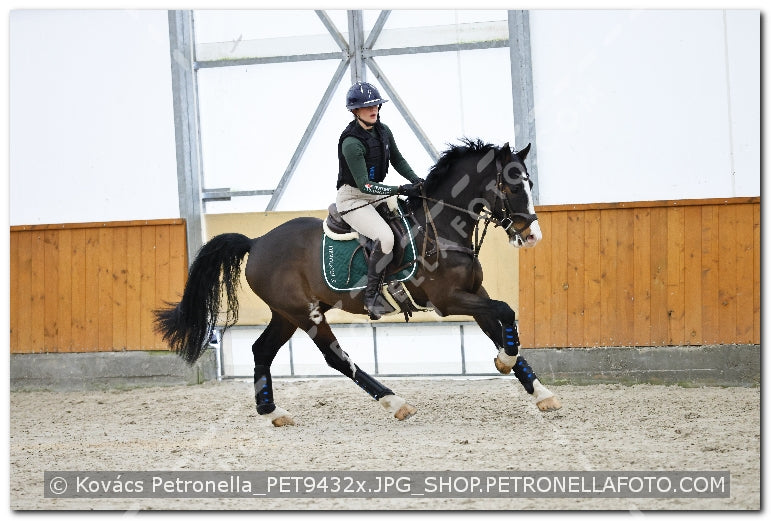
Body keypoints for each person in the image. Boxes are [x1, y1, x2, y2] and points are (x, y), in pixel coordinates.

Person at [336, 81, 423, 320]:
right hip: (354, 199)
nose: (373, 109)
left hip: (376, 193)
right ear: (355, 111)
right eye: (367, 106)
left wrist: (416, 181)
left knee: (411, 219)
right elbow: (364, 184)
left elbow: (398, 160)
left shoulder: (384, 131)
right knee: (385, 237)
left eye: (375, 104)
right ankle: (371, 296)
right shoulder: (351, 142)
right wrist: (399, 188)